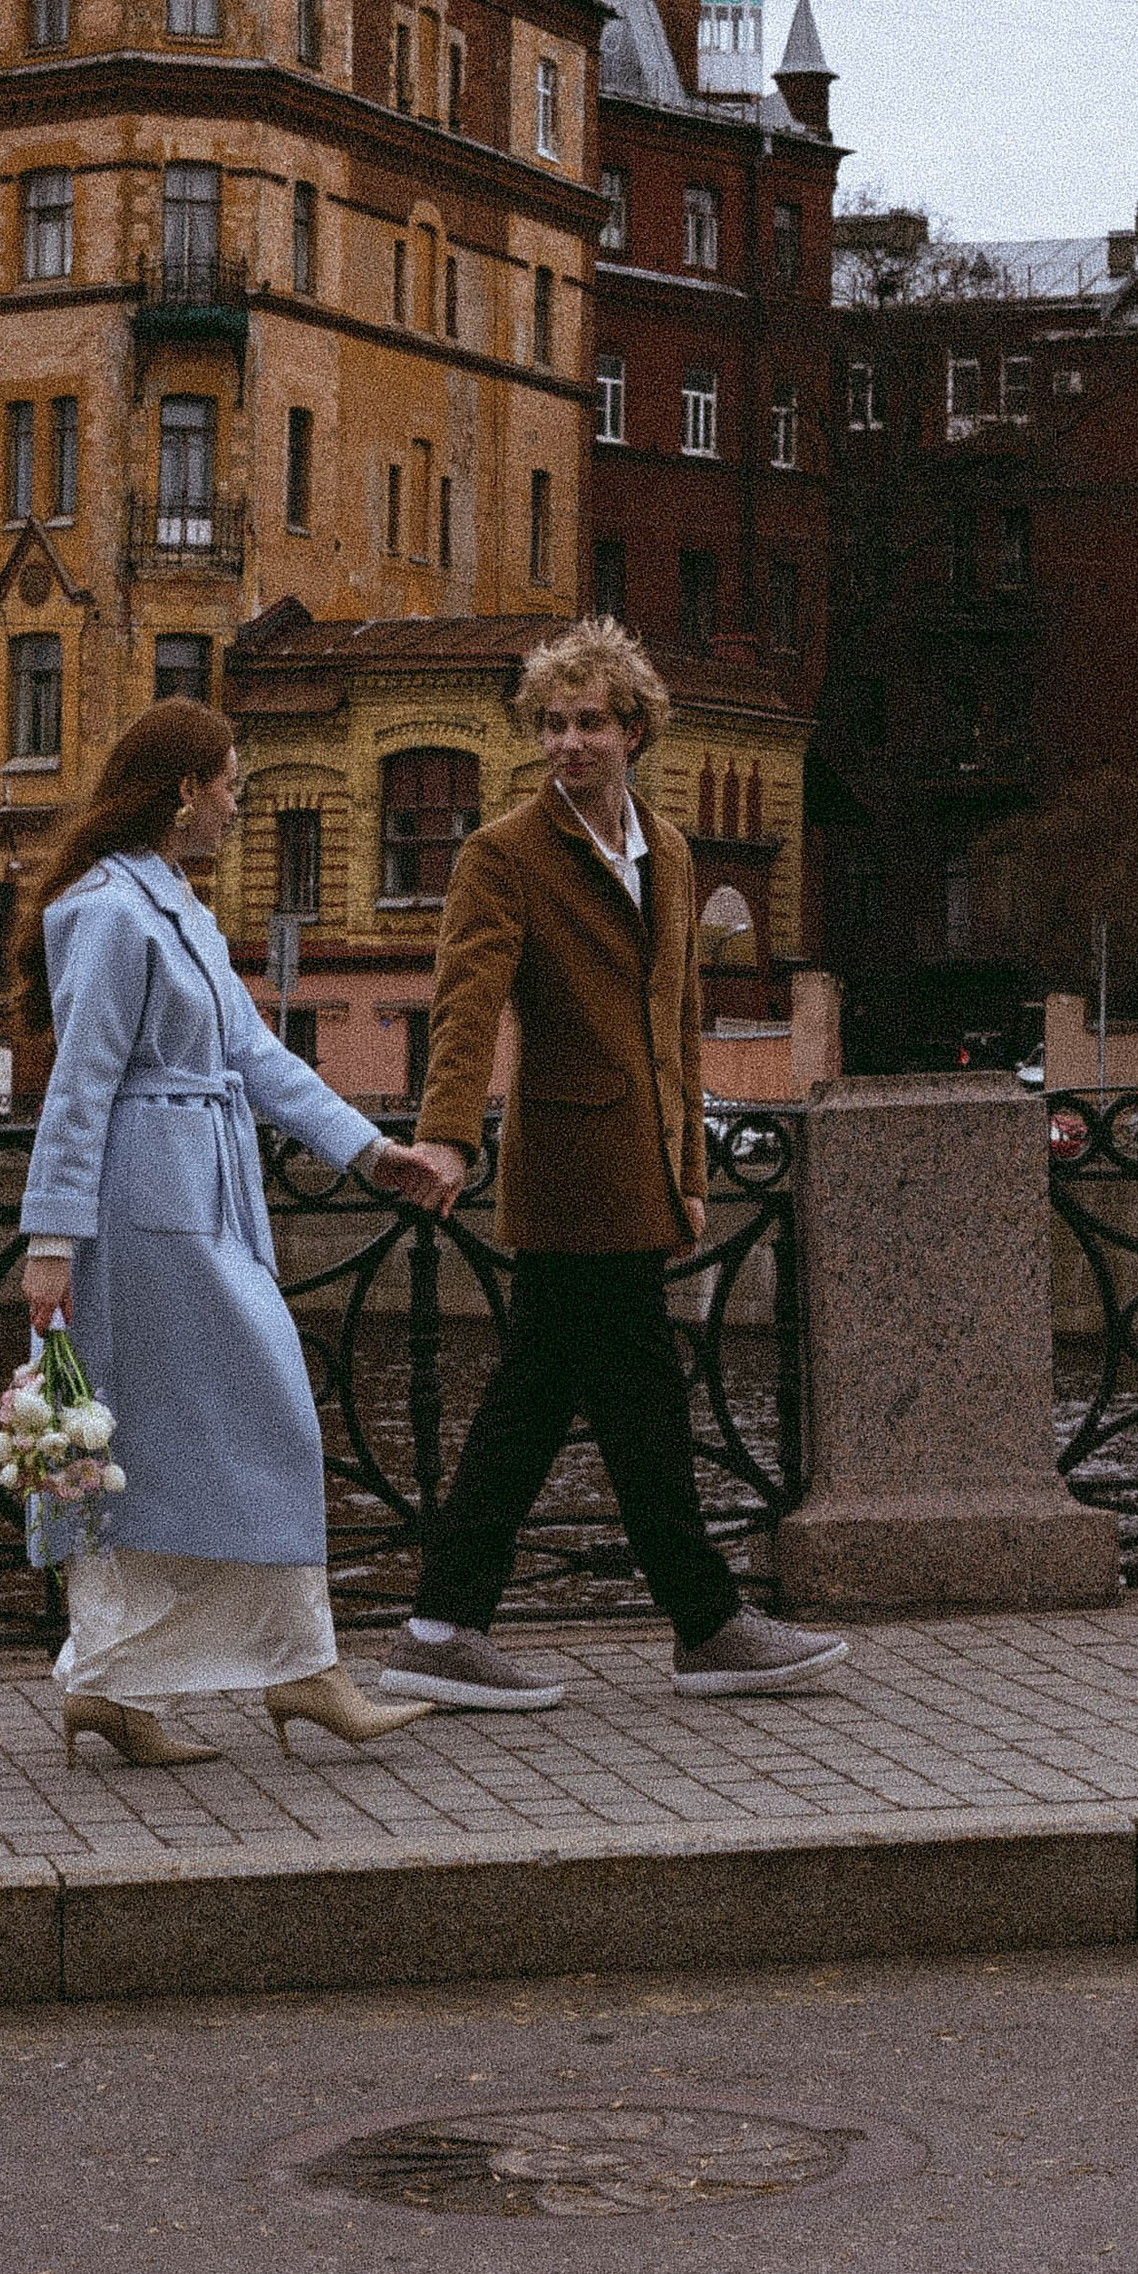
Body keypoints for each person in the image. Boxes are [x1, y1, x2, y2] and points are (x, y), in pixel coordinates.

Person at [377, 616, 846, 1712]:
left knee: (560, 1403)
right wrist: (448, 1132)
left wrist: (689, 1173)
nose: (568, 743)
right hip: (568, 1177)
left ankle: (450, 1626)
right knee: (625, 1403)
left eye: (589, 721)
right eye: (552, 724)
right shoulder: (504, 854)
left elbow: (677, 1025)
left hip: (639, 1175)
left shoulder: (669, 851)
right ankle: (700, 1624)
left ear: (635, 730)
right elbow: (466, 1002)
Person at [14, 699, 436, 1768]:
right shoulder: (111, 912)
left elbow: (255, 1057)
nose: (237, 804)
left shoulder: (179, 909)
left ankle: (164, 1681)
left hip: (196, 1198)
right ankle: (241, 1673)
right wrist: (51, 1238)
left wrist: (365, 1149)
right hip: (145, 1212)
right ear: (183, 790)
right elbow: (80, 1083)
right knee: (182, 1436)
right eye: (229, 784)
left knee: (203, 1439)